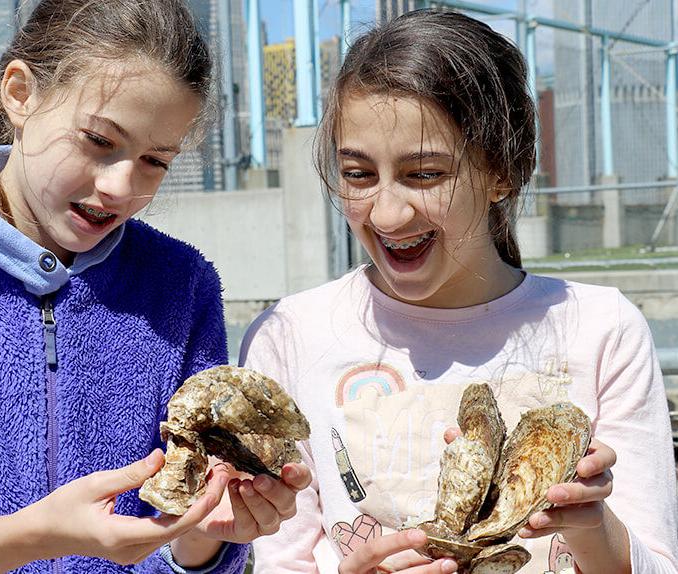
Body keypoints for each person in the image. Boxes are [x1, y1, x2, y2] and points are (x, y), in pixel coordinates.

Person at [0, 1, 310, 572]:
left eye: (155, 161)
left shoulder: (181, 284)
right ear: (19, 93)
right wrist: (32, 537)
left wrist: (202, 538)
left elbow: (183, 542)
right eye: (98, 142)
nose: (120, 187)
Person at [240, 9, 678, 574]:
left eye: (425, 174)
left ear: (502, 171)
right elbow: (281, 560)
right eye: (357, 174)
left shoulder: (602, 329)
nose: (388, 212)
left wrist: (594, 527)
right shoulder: (291, 336)